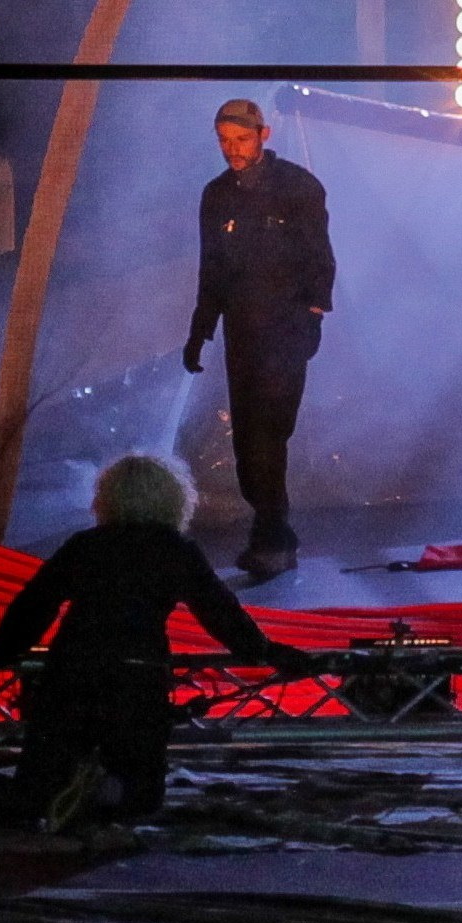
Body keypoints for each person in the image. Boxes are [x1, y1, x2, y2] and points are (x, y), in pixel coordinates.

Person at [0, 454, 291, 828]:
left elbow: (35, 605)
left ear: (107, 498)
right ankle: (104, 795)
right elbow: (219, 612)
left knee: (41, 783)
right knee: (139, 794)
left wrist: (1, 651)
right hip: (137, 677)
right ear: (173, 499)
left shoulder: (85, 545)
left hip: (72, 672)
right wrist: (263, 651)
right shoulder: (175, 549)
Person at [183, 97, 334, 578]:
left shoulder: (298, 187)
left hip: (286, 331)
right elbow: (211, 268)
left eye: (242, 139)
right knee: (248, 442)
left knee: (269, 435)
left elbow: (320, 258)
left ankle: (271, 539)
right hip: (242, 334)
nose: (233, 149)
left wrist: (312, 317)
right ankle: (276, 535)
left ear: (264, 135)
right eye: (225, 141)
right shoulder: (216, 195)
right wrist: (200, 330)